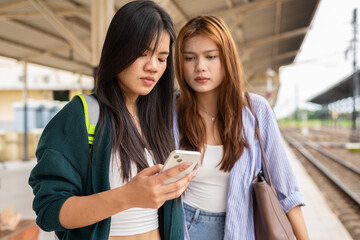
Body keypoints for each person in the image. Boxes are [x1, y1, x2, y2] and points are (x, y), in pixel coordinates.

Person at [28, 1, 195, 239]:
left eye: (162, 57)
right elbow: (49, 211)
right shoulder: (81, 115)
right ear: (119, 50)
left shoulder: (157, 120)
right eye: (143, 53)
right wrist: (128, 196)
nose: (153, 67)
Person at [174, 16, 309, 240]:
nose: (200, 67)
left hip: (241, 228)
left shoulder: (256, 111)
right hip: (185, 227)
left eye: (210, 57)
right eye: (190, 58)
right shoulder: (170, 110)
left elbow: (287, 190)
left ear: (227, 59)